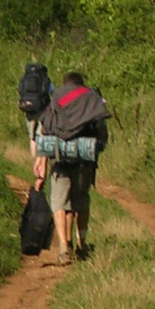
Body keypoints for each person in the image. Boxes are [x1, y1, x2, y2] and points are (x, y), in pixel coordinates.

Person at [34, 70, 109, 266]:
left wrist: (42, 159)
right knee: (81, 200)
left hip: (60, 159)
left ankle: (63, 249)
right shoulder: (92, 98)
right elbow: (101, 131)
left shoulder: (57, 97)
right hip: (84, 160)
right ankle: (82, 244)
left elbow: (46, 127)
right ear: (81, 83)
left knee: (59, 202)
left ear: (65, 84)